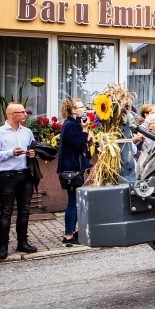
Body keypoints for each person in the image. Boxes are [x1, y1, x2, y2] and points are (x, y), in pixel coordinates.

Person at [0, 102, 38, 259]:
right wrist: (10, 153)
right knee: (6, 212)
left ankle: (22, 242)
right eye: (22, 112)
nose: (25, 114)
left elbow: (33, 148)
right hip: (8, 176)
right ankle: (3, 246)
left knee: (24, 210)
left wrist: (33, 153)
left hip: (26, 174)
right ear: (11, 114)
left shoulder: (27, 132)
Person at [58, 98, 93, 246]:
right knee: (73, 202)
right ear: (73, 110)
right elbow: (78, 146)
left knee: (75, 201)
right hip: (71, 170)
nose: (84, 109)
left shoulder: (72, 124)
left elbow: (79, 146)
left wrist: (87, 140)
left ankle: (71, 232)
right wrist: (84, 131)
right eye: (81, 107)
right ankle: (68, 235)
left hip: (74, 168)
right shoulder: (70, 125)